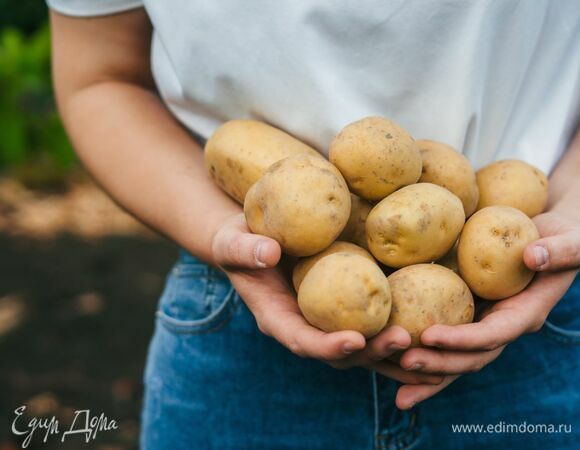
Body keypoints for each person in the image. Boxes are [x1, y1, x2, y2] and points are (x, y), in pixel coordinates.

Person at [47, 1, 580, 449]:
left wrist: (572, 214)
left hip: (541, 288)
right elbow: (99, 78)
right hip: (242, 305)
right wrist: (218, 231)